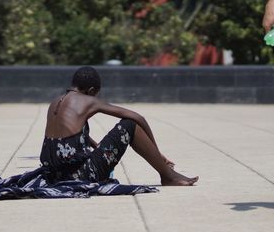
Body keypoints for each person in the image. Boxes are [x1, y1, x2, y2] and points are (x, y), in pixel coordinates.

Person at [40, 66, 198, 186]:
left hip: (53, 176)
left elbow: (69, 136)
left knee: (124, 127)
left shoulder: (55, 102)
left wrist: (96, 146)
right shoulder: (87, 100)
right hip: (81, 175)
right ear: (91, 90)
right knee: (130, 124)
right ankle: (168, 175)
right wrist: (158, 154)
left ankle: (167, 174)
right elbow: (138, 118)